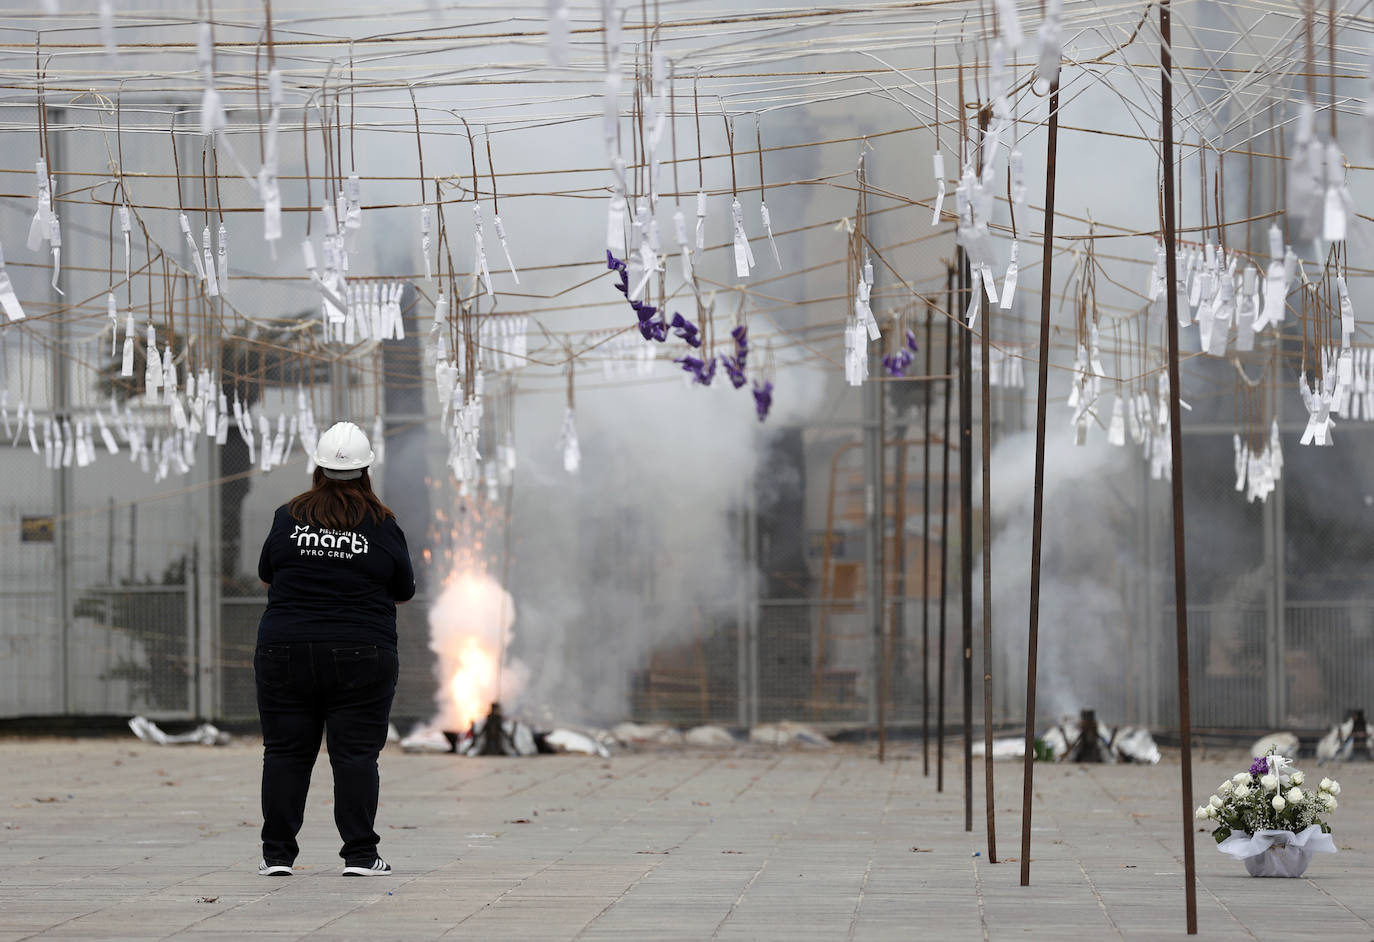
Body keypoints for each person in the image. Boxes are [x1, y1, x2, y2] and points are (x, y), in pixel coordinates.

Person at [253, 421, 415, 877]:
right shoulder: (382, 524)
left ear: (317, 469)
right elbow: (403, 589)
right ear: (366, 471)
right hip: (361, 653)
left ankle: (277, 856)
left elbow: (267, 573)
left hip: (284, 650)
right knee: (356, 754)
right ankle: (361, 856)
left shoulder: (288, 516)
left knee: (285, 752)